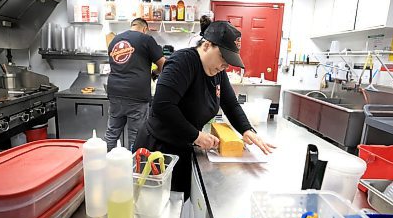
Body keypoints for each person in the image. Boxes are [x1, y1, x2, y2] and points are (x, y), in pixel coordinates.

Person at [134, 20, 275, 199]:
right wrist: (197, 136)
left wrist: (247, 130)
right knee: (153, 207)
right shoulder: (183, 62)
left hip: (182, 148)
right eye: (223, 58)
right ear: (207, 45)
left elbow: (230, 103)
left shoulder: (217, 71)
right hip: (159, 151)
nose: (226, 65)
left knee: (175, 206)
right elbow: (163, 106)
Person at [105, 18, 166, 151]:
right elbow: (163, 65)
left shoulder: (114, 40)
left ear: (132, 26)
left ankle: (107, 166)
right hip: (136, 95)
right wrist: (154, 73)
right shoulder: (146, 39)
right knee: (136, 136)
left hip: (115, 92)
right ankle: (133, 169)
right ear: (145, 29)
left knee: (112, 133)